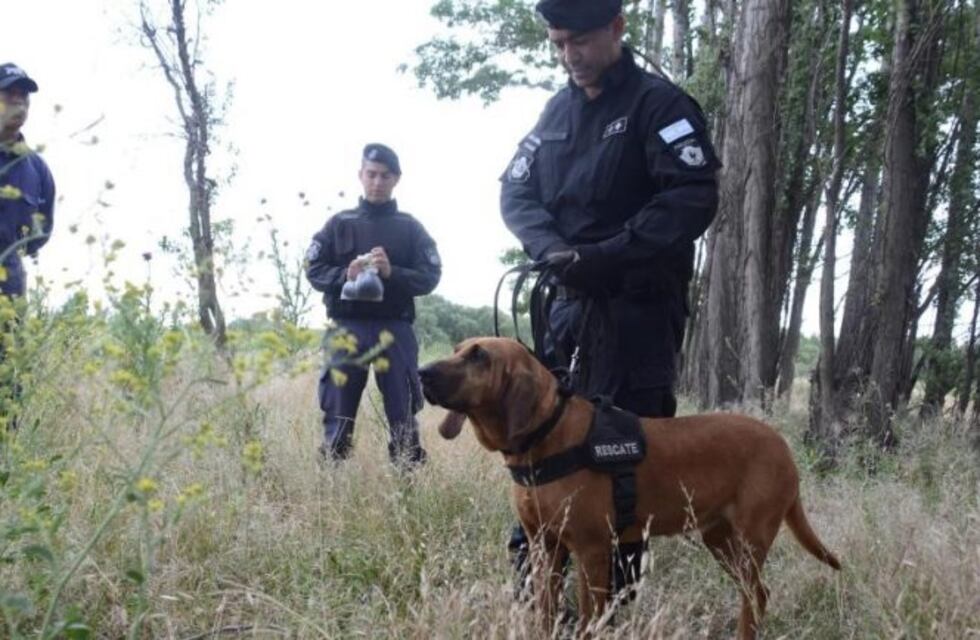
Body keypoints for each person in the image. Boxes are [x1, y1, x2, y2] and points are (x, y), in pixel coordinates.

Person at [499, 0, 721, 598]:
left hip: (637, 309)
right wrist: (553, 250)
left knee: (624, 451)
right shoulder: (555, 112)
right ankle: (532, 597)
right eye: (558, 43)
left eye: (580, 42)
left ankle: (617, 605)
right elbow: (516, 192)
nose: (570, 56)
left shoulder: (660, 105)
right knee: (539, 432)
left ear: (617, 29)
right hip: (567, 303)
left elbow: (693, 195)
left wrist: (611, 253)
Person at [306, 144, 441, 467]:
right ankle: (330, 481)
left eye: (385, 175)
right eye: (372, 174)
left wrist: (392, 272)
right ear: (360, 175)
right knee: (337, 408)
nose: (377, 181)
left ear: (396, 179)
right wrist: (344, 275)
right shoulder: (338, 223)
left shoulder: (411, 228)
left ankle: (408, 480)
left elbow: (430, 276)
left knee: (402, 408)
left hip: (394, 328)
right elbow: (313, 268)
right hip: (345, 328)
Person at [0, 63, 55, 431]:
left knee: (8, 385)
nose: (18, 103)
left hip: (10, 287)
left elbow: (42, 229)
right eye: (9, 95)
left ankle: (8, 471)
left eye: (25, 98)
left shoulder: (36, 168)